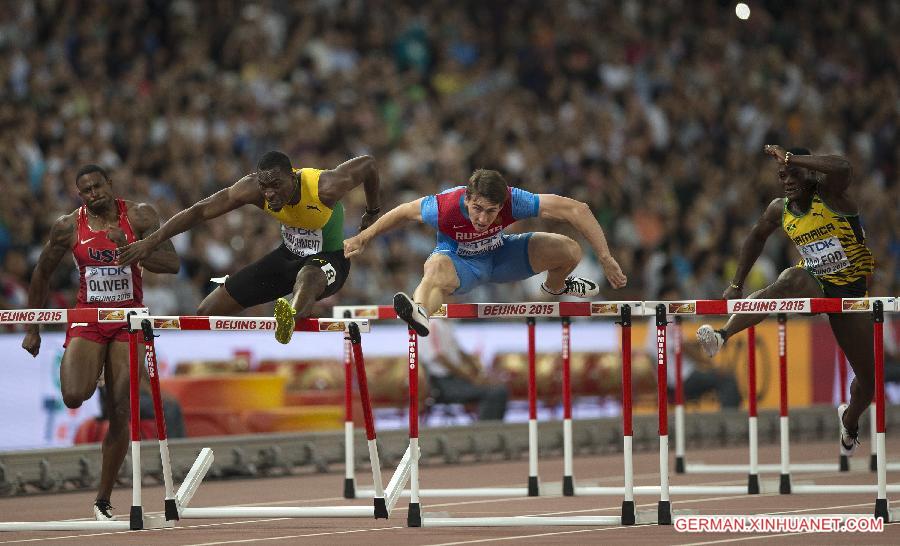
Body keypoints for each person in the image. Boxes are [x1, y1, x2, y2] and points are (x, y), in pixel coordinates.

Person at [21, 164, 179, 520]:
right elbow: (42, 271)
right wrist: (33, 325)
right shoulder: (68, 226)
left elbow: (172, 264)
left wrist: (135, 248)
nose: (93, 194)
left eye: (97, 186)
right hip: (89, 319)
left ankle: (103, 499)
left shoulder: (139, 216)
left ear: (110, 184)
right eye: (85, 191)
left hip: (128, 321)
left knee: (121, 410)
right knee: (74, 395)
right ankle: (99, 369)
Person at [697, 145, 876, 457]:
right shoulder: (780, 209)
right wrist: (736, 284)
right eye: (782, 175)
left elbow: (844, 167)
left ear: (810, 172)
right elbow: (755, 237)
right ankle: (721, 335)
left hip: (849, 294)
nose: (787, 180)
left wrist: (793, 159)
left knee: (869, 383)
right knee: (787, 281)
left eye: (793, 173)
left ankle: (849, 419)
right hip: (813, 283)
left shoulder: (833, 196)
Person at [118, 151, 381, 344]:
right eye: (264, 187)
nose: (269, 194)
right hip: (287, 257)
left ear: (292, 177)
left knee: (308, 277)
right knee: (207, 311)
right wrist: (151, 241)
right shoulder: (252, 189)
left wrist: (372, 211)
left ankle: (289, 316)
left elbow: (369, 164)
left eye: (276, 185)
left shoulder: (324, 186)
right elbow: (200, 211)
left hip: (329, 260)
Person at [343, 168, 627, 336]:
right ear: (467, 199)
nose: (482, 219)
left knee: (569, 249)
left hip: (502, 256)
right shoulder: (444, 206)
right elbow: (403, 212)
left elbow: (577, 209)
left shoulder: (514, 201)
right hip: (459, 264)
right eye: (477, 209)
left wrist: (605, 257)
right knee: (435, 270)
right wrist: (364, 236)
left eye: (491, 212)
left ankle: (556, 287)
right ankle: (419, 313)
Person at [652, 287, 741, 409]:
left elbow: (679, 345)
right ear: (662, 299)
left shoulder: (654, 320)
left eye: (677, 297)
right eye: (672, 297)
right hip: (681, 378)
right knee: (726, 379)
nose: (676, 300)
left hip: (673, 377)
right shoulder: (666, 318)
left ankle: (728, 417)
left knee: (724, 378)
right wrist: (710, 365)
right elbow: (682, 347)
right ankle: (729, 420)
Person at [418, 318, 508, 421]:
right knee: (496, 391)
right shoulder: (433, 324)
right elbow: (439, 357)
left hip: (454, 379)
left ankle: (491, 428)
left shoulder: (446, 324)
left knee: (498, 389)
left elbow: (459, 352)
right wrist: (470, 377)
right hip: (442, 383)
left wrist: (477, 371)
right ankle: (486, 429)